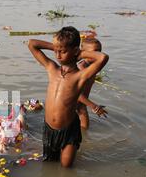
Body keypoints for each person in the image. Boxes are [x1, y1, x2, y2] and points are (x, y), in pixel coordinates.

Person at [28, 26, 109, 167]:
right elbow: (32, 44)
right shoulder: (52, 68)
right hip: (49, 129)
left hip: (68, 129)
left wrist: (80, 53)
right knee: (49, 163)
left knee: (66, 165)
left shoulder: (80, 76)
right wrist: (57, 46)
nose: (58, 55)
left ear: (75, 51)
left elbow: (103, 57)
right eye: (56, 51)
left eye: (63, 51)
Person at [76, 37, 107, 129]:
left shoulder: (92, 67)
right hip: (70, 107)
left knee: (84, 130)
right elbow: (75, 93)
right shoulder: (79, 69)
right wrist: (94, 106)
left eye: (99, 51)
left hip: (81, 107)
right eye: (95, 52)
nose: (98, 54)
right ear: (83, 52)